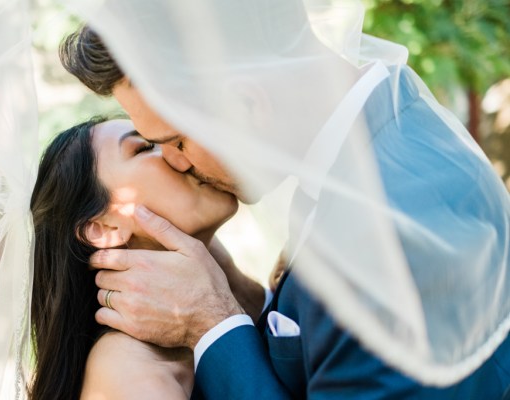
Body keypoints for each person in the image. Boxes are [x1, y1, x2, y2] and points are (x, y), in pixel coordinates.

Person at [60, 17, 510, 399]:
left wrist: (210, 324)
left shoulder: (387, 240)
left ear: (247, 102)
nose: (178, 164)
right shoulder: (379, 139)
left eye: (176, 141)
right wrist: (243, 295)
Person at [28, 116, 265, 399]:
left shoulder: (233, 300)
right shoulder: (129, 374)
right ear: (104, 229)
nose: (177, 154)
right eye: (145, 147)